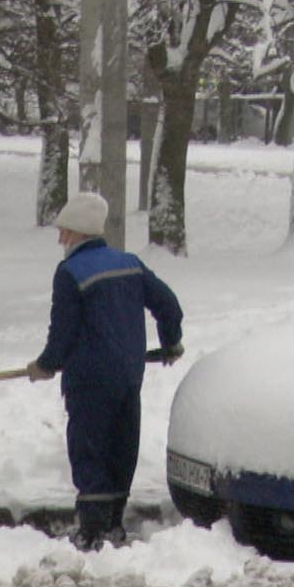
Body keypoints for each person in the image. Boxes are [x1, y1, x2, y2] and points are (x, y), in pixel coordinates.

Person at [30, 192, 183, 550]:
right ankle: (114, 523)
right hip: (129, 376)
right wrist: (171, 342)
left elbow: (63, 333)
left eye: (64, 232)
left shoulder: (71, 273)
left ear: (78, 233)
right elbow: (169, 305)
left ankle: (92, 530)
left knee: (90, 448)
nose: (60, 239)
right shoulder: (129, 263)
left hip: (89, 379)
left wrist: (46, 365)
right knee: (120, 445)